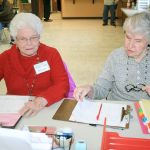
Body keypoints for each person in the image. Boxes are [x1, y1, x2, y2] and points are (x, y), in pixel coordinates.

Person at [0, 12, 69, 116]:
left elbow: (62, 84)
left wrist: (41, 100)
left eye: (33, 37)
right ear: (15, 40)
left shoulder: (51, 54)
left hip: (46, 107)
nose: (29, 43)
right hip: (15, 111)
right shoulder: (5, 57)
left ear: (39, 36)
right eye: (23, 39)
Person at [74, 12, 150, 102]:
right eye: (128, 37)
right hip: (116, 107)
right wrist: (89, 89)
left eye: (138, 41)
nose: (130, 45)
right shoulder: (116, 56)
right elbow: (101, 88)